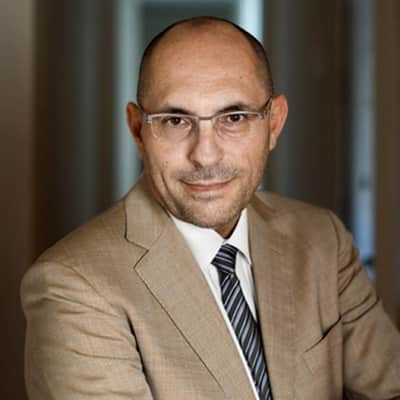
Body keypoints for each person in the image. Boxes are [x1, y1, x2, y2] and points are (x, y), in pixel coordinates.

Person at [21, 16, 400, 400]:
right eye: (175, 120)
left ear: (273, 123)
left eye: (234, 118)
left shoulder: (323, 240)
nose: (205, 155)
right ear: (138, 130)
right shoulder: (72, 287)